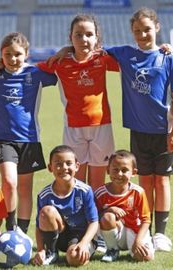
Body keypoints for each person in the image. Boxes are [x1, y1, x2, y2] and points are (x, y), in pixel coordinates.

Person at [105, 7, 173, 252]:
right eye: (137, 30)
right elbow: (92, 51)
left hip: (164, 131)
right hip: (138, 131)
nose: (142, 34)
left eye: (147, 29)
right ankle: (145, 231)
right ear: (131, 31)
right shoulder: (125, 54)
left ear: (157, 28)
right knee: (144, 183)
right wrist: (67, 50)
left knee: (162, 182)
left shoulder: (169, 58)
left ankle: (161, 234)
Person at [0, 32, 57, 234]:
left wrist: (63, 52)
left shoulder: (35, 74)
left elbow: (61, 71)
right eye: (7, 54)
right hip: (4, 139)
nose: (12, 59)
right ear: (1, 54)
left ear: (26, 53)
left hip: (29, 138)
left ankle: (21, 234)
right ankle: (10, 226)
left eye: (17, 54)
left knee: (25, 188)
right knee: (9, 182)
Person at [37, 13, 119, 191]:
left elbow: (135, 61)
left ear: (96, 37)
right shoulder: (60, 62)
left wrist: (164, 50)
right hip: (73, 128)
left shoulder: (102, 58)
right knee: (77, 182)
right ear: (70, 37)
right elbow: (24, 69)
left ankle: (96, 218)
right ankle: (79, 218)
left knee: (97, 184)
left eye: (89, 34)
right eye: (78, 35)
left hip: (102, 126)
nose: (84, 39)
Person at [34, 145, 99, 267]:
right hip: (60, 236)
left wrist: (84, 243)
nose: (64, 168)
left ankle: (82, 250)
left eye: (69, 163)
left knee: (75, 259)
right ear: (50, 167)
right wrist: (40, 249)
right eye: (58, 164)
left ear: (77, 166)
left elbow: (94, 222)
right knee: (47, 211)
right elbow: (39, 226)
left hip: (81, 236)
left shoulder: (84, 191)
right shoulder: (44, 195)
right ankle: (51, 252)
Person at [95, 150, 154, 262]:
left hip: (135, 231)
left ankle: (148, 242)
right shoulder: (100, 193)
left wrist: (138, 241)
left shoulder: (138, 192)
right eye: (115, 170)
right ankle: (112, 249)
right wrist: (109, 209)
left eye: (124, 170)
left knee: (146, 257)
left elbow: (146, 220)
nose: (119, 174)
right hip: (116, 232)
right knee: (107, 217)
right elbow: (94, 217)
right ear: (108, 170)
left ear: (134, 172)